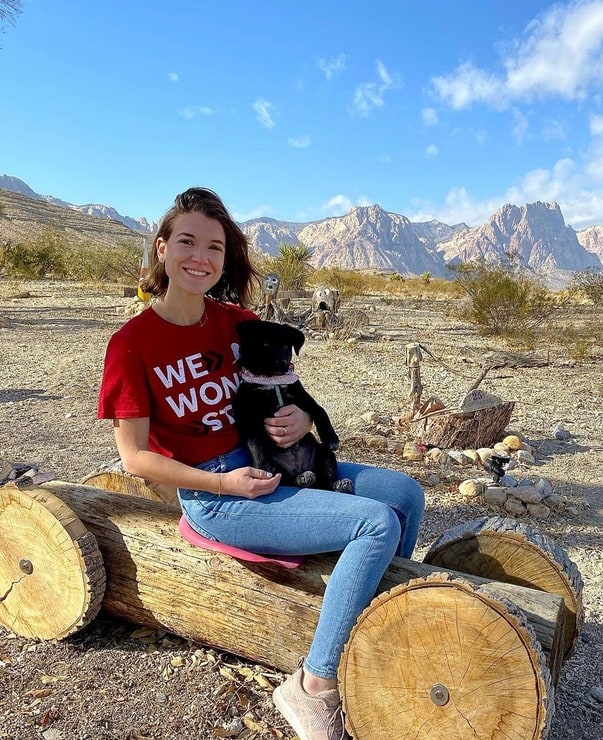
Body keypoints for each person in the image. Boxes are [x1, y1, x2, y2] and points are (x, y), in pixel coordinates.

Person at [97, 187, 425, 740]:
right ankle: (314, 686)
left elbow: (284, 387)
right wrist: (221, 481)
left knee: (405, 495)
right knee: (376, 521)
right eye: (187, 242)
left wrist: (297, 417)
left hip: (276, 461)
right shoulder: (132, 344)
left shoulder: (235, 323)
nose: (200, 257)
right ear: (161, 249)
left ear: (225, 259)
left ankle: (371, 628)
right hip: (219, 496)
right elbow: (134, 457)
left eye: (214, 247)